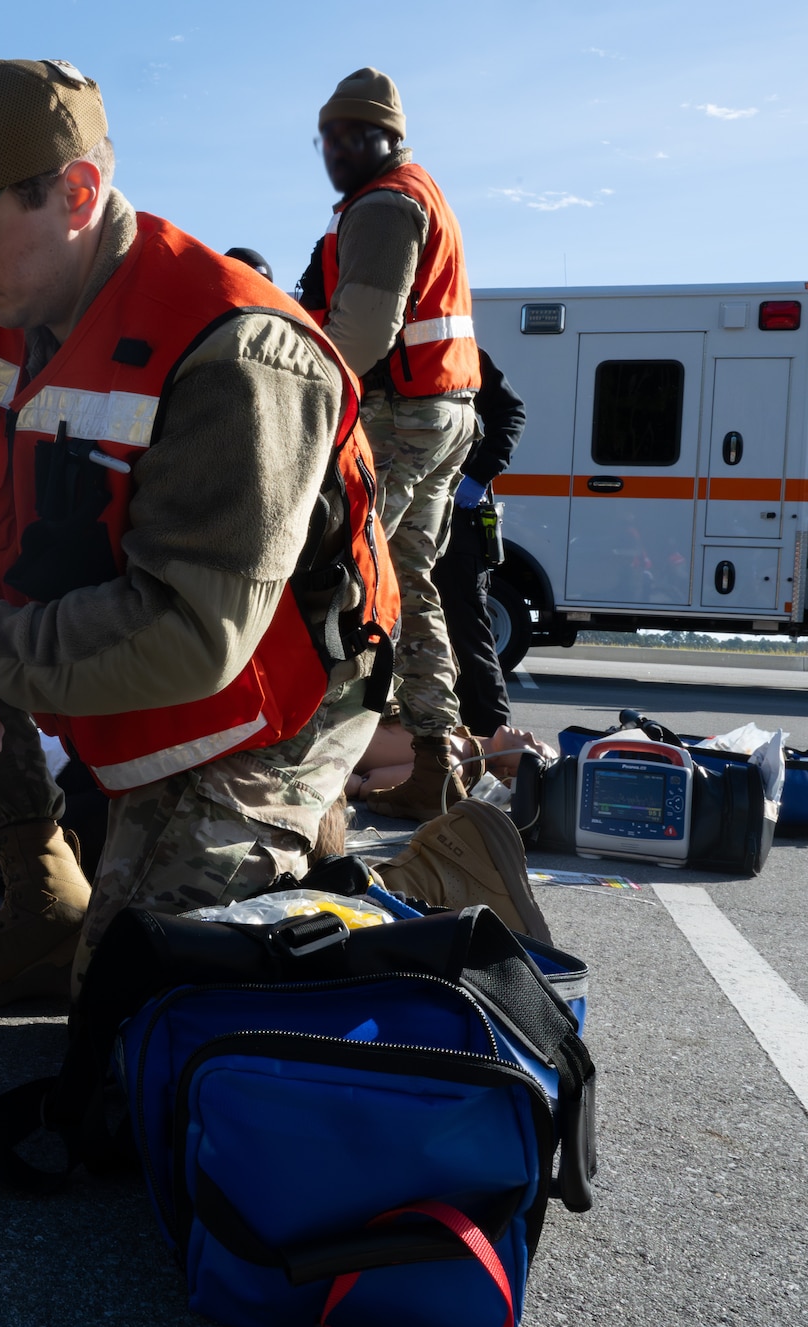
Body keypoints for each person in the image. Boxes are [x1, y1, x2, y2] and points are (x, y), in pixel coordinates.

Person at [0, 59, 394, 1009]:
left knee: (138, 1010)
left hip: (269, 702)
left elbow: (190, 632)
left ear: (78, 194)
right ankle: (47, 904)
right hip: (120, 646)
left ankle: (337, 870)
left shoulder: (236, 352)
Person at [294, 67, 481, 821]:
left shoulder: (382, 206)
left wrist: (299, 392)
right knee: (409, 578)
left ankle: (314, 774)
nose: (336, 150)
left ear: (388, 137)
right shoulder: (417, 192)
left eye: (352, 136)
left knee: (343, 575)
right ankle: (436, 761)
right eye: (327, 138)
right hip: (445, 412)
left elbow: (363, 333)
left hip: (404, 416)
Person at [439, 346, 525, 737]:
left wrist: (477, 476)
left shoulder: (455, 346)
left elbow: (510, 413)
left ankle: (496, 746)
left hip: (456, 522)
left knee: (466, 634)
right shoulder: (367, 338)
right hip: (398, 515)